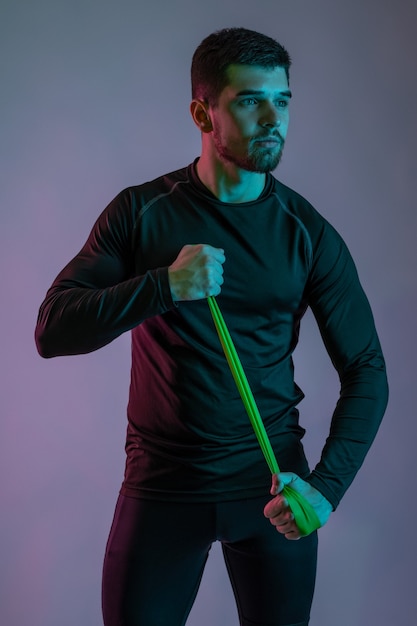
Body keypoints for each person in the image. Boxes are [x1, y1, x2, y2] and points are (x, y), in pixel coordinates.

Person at [35, 27, 388, 626]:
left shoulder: (307, 233)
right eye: (251, 100)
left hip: (274, 490)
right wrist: (164, 286)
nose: (273, 117)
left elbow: (367, 370)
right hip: (162, 489)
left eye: (283, 100)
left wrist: (326, 488)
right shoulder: (142, 211)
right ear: (204, 112)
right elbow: (53, 330)